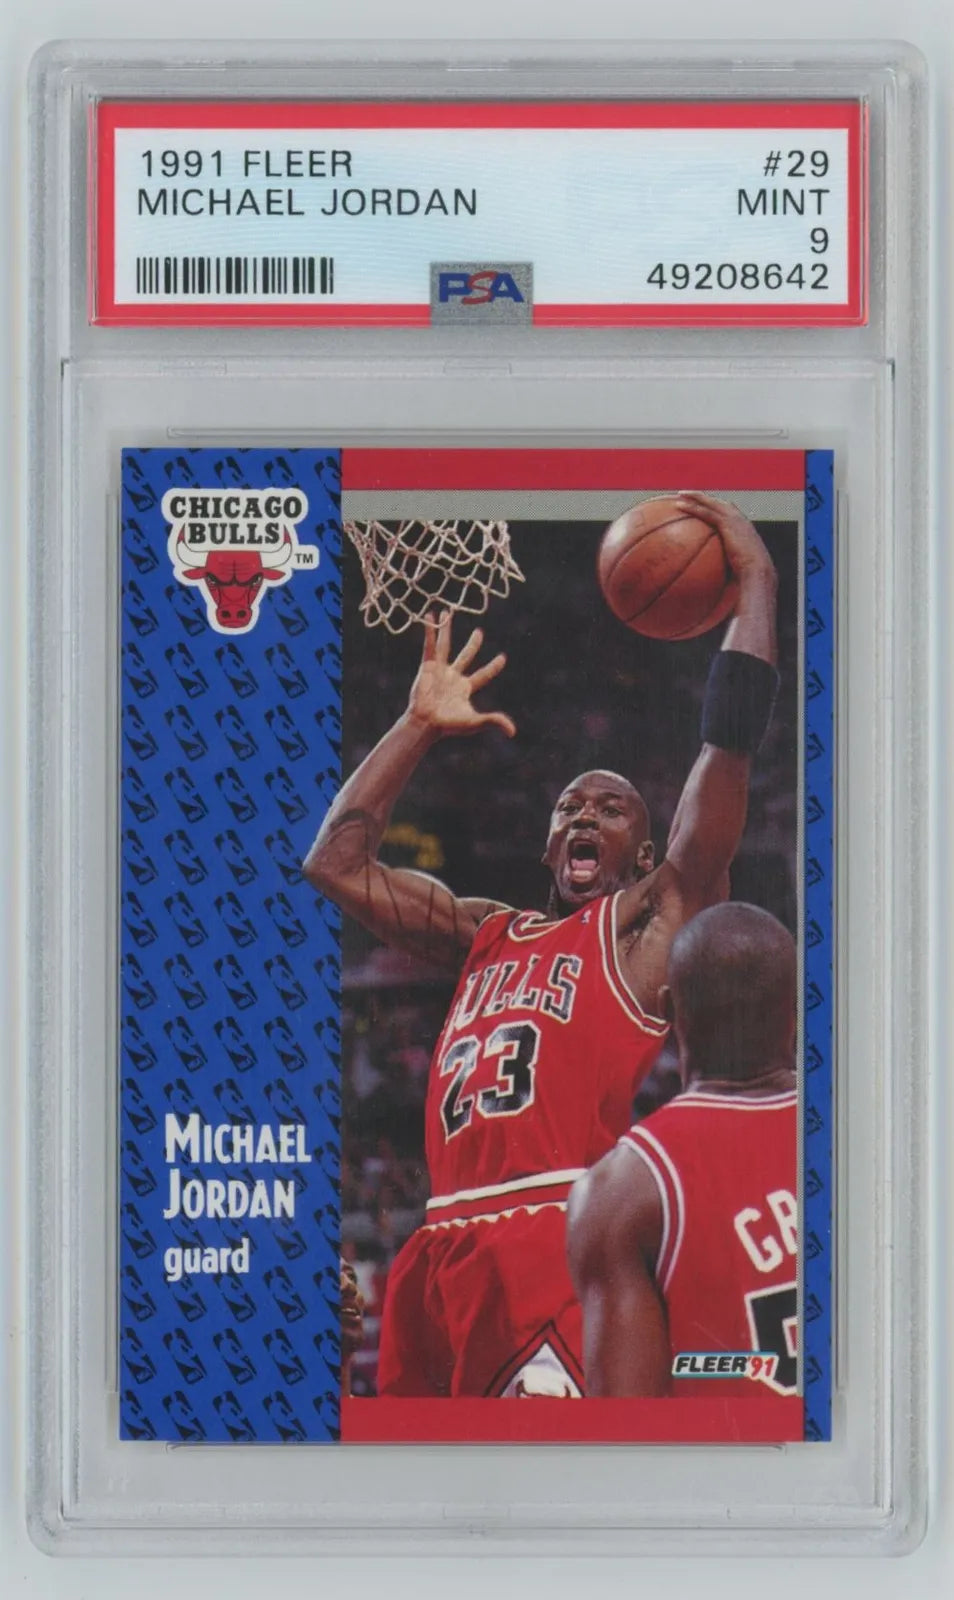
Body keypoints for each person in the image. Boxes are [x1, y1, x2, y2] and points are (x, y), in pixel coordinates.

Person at [304, 492, 779, 1398]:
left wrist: (755, 581)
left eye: (611, 807)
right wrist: (415, 724)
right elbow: (334, 863)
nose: (585, 813)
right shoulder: (487, 931)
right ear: (549, 846)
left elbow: (726, 751)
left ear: (645, 855)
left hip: (551, 1232)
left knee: (546, 1465)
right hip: (433, 1249)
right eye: (569, 806)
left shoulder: (643, 925)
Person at [567, 902, 798, 1399]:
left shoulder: (620, 1190)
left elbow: (626, 1428)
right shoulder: (869, 1145)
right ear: (796, 1005)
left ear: (669, 1008)